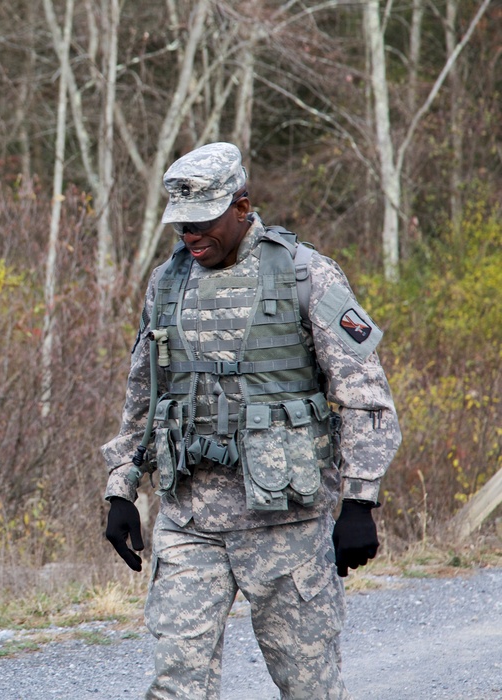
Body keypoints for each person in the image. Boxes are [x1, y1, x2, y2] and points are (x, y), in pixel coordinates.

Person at [101, 142, 401, 699]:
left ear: (241, 206)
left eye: (202, 221)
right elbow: (143, 395)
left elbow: (365, 396)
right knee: (175, 686)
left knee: (308, 687)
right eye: (180, 225)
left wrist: (360, 501)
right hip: (190, 521)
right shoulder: (168, 283)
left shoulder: (306, 274)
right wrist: (121, 487)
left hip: (286, 525)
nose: (190, 236)